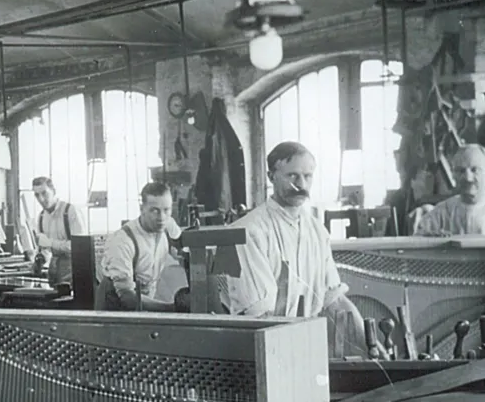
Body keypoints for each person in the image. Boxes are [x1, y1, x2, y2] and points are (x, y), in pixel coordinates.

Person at [217, 142, 365, 356]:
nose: (301, 184)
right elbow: (260, 315)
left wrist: (371, 346)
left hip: (303, 345)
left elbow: (334, 300)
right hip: (260, 349)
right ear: (271, 176)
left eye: (307, 176)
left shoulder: (316, 231)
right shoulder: (248, 231)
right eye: (292, 176)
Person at [100, 181, 185, 311]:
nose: (161, 217)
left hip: (145, 301)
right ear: (142, 209)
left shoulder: (167, 224)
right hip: (116, 309)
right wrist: (173, 309)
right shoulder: (123, 241)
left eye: (166, 210)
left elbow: (185, 248)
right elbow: (127, 297)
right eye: (154, 211)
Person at [30, 176, 83, 290]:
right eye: (37, 195)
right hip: (54, 272)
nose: (41, 199)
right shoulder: (41, 217)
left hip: (74, 271)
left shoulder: (70, 211)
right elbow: (46, 250)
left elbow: (80, 248)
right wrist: (40, 259)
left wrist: (50, 243)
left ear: (53, 191)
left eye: (44, 193)